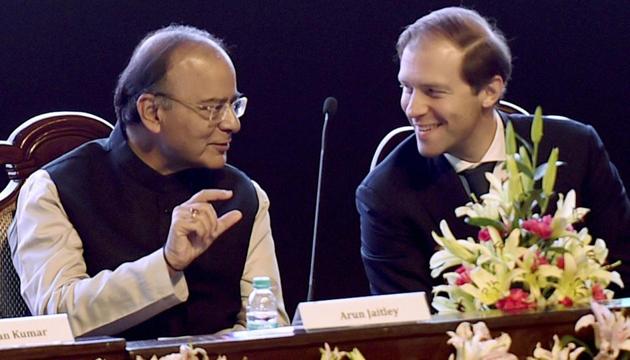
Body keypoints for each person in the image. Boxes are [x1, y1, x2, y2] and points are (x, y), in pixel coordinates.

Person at [9, 25, 289, 340]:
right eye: (212, 109)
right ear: (152, 112)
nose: (232, 123)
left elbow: (267, 327)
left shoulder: (243, 196)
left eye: (233, 105)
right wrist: (167, 264)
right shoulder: (56, 190)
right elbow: (58, 318)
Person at [356, 7, 630, 298]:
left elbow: (624, 270)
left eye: (433, 92)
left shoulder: (576, 150)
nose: (413, 108)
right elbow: (409, 331)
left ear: (490, 91)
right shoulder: (386, 195)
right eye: (406, 87)